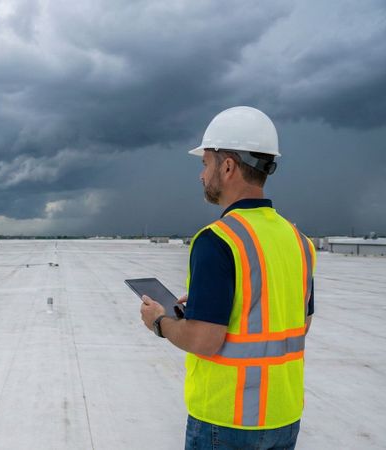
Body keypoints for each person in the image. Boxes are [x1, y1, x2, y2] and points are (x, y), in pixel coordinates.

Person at [140, 106, 315, 449]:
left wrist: (159, 322)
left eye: (205, 163)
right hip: (284, 416)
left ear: (228, 165)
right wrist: (218, 304)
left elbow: (205, 341)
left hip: (226, 420)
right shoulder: (299, 240)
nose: (202, 175)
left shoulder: (217, 239)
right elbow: (297, 322)